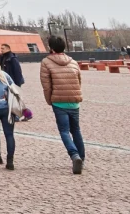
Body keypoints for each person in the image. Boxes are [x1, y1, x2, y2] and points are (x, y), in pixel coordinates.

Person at [40, 36, 84, 174]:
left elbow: (46, 85)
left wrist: (49, 100)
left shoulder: (46, 62)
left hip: (59, 102)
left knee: (64, 131)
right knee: (76, 130)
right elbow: (79, 80)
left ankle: (74, 155)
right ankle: (81, 157)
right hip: (74, 102)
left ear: (51, 48)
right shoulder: (73, 62)